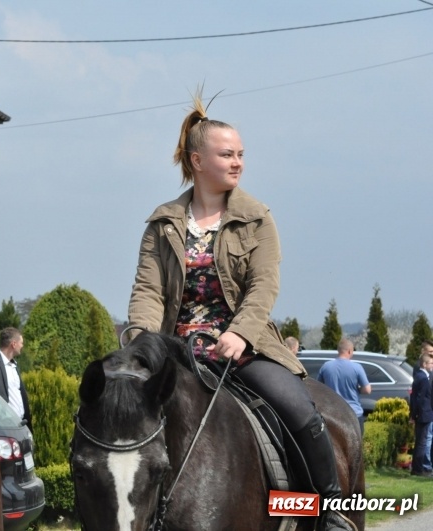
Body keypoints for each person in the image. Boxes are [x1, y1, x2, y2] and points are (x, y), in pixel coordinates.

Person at [127, 91, 357, 531]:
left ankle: (330, 513)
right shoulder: (162, 223)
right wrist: (142, 342)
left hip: (241, 346)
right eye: (227, 154)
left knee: (299, 409)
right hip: (175, 349)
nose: (238, 163)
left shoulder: (257, 217)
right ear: (197, 161)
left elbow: (263, 284)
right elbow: (148, 290)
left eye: (241, 155)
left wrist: (240, 333)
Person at [317, 339, 372, 434]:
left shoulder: (326, 366)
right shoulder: (357, 367)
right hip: (353, 413)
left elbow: (318, 387)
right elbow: (367, 390)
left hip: (332, 414)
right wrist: (358, 389)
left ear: (338, 350)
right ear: (350, 351)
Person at [410, 342, 433, 477]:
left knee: (421, 441)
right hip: (424, 414)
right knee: (422, 442)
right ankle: (419, 469)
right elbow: (420, 398)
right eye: (430, 364)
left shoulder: (420, 376)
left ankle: (417, 468)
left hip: (421, 413)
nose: (432, 366)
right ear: (424, 364)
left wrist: (413, 414)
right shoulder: (423, 378)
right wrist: (415, 414)